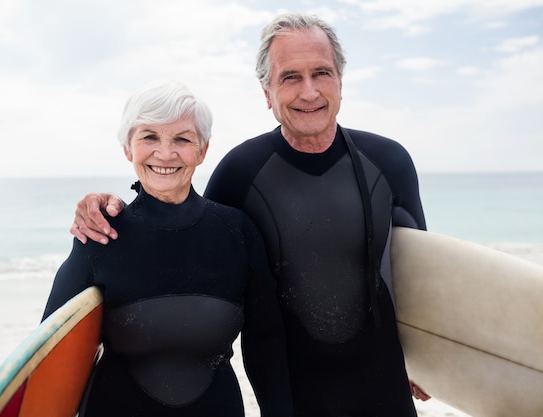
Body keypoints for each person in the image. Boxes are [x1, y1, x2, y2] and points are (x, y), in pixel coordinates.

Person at [71, 13, 431, 416]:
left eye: (321, 73)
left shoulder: (389, 161)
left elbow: (419, 273)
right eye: (290, 77)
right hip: (293, 396)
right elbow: (182, 236)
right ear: (267, 92)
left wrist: (432, 359)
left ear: (340, 82)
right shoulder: (239, 172)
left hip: (386, 393)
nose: (309, 91)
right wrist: (106, 209)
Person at [43, 80, 293, 417]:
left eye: (182, 138)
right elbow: (52, 350)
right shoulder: (101, 234)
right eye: (149, 137)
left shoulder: (238, 233)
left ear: (202, 150)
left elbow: (267, 343)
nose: (165, 152)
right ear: (127, 148)